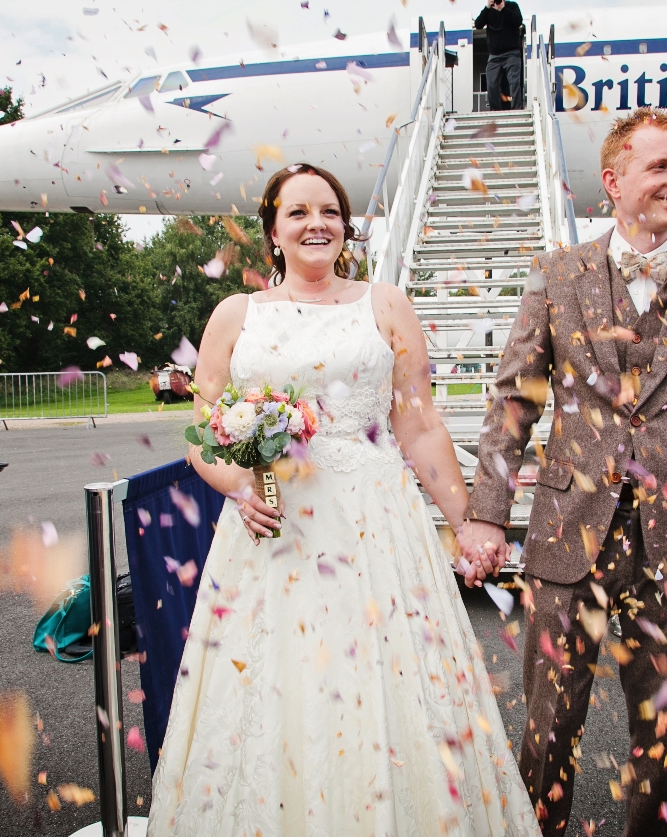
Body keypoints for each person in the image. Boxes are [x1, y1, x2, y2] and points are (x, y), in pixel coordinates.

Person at [146, 164, 539, 836]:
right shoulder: (235, 315)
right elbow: (203, 432)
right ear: (273, 230)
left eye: (327, 210)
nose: (314, 223)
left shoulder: (384, 304)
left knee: (387, 687)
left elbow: (419, 424)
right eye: (297, 212)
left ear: (346, 225)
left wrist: (468, 520)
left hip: (374, 529)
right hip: (272, 533)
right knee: (276, 687)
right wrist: (240, 484)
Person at [460, 107, 667, 835]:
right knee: (548, 726)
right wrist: (485, 509)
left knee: (663, 734)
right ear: (614, 180)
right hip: (568, 539)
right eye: (660, 167)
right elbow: (515, 401)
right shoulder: (557, 274)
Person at [475, 0, 524, 111]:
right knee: (491, 83)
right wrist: (487, 8)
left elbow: (518, 21)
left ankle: (517, 108)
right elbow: (478, 24)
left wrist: (503, 9)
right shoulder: (488, 10)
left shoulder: (512, 6)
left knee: (514, 82)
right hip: (494, 55)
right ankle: (495, 110)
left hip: (511, 53)